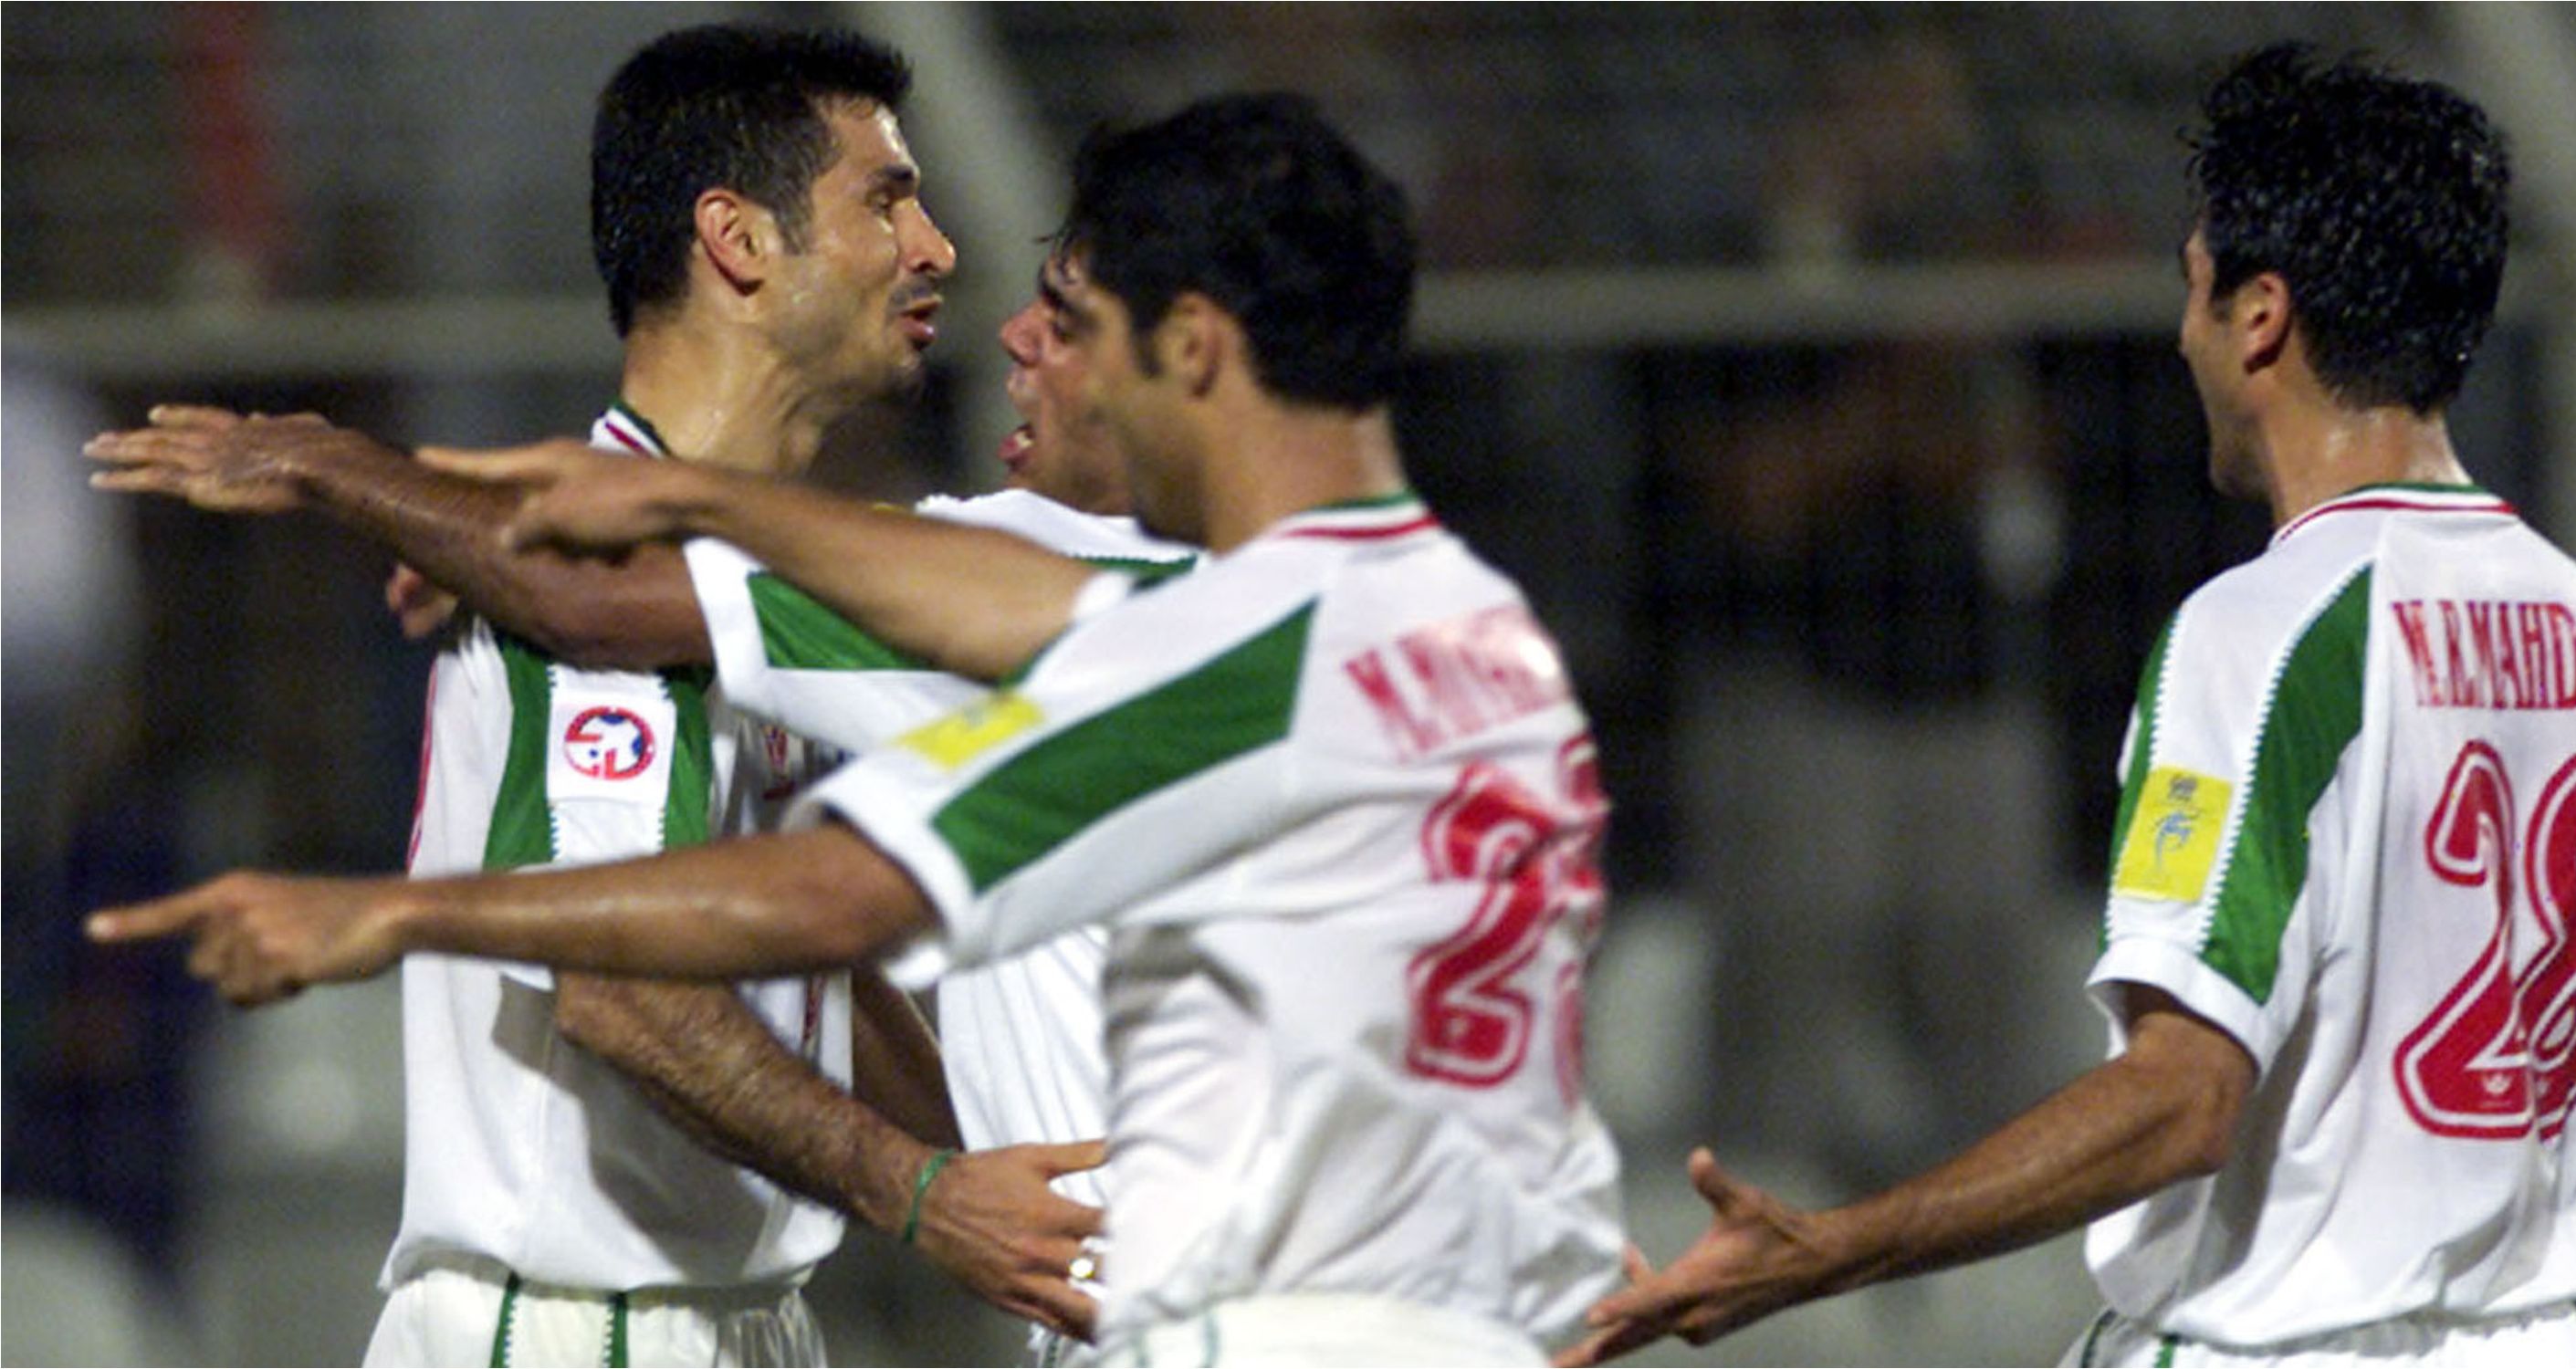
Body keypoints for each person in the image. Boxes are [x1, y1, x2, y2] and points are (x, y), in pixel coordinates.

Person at [92, 91, 1629, 1367]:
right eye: (896, 203)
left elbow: (729, 750)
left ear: (1198, 353)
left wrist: (354, 492)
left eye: (1075, 316)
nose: (1006, 331)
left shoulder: (1142, 630)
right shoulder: (1463, 636)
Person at [1545, 43, 2576, 1368]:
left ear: (2260, 317)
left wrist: (1836, 1246)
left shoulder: (2263, 635)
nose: (2181, 335)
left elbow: (2184, 1097)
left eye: (2194, 291)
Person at [83, 25, 1105, 1366]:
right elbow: (617, 991)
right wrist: (914, 1192)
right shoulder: (573, 573)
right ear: (739, 242)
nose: (938, 249)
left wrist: (1005, 1172)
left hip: (729, 1320)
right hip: (586, 1326)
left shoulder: (703, 573)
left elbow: (804, 955)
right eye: (885, 197)